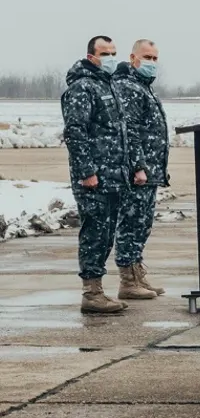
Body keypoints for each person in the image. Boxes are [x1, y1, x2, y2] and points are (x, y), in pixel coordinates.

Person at [61, 35, 130, 314]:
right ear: (92, 57)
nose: (111, 57)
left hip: (113, 176)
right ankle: (91, 292)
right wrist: (86, 171)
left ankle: (98, 289)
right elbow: (76, 133)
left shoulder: (108, 85)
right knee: (95, 232)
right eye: (105, 53)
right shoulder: (82, 88)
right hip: (95, 178)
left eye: (114, 52)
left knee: (106, 232)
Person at [112, 39, 168, 300]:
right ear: (133, 58)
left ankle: (137, 274)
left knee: (142, 223)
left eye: (155, 58)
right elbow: (130, 131)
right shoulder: (129, 88)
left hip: (151, 170)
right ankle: (127, 279)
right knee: (132, 223)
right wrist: (138, 166)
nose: (152, 63)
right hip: (139, 173)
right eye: (147, 57)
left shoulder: (143, 87)